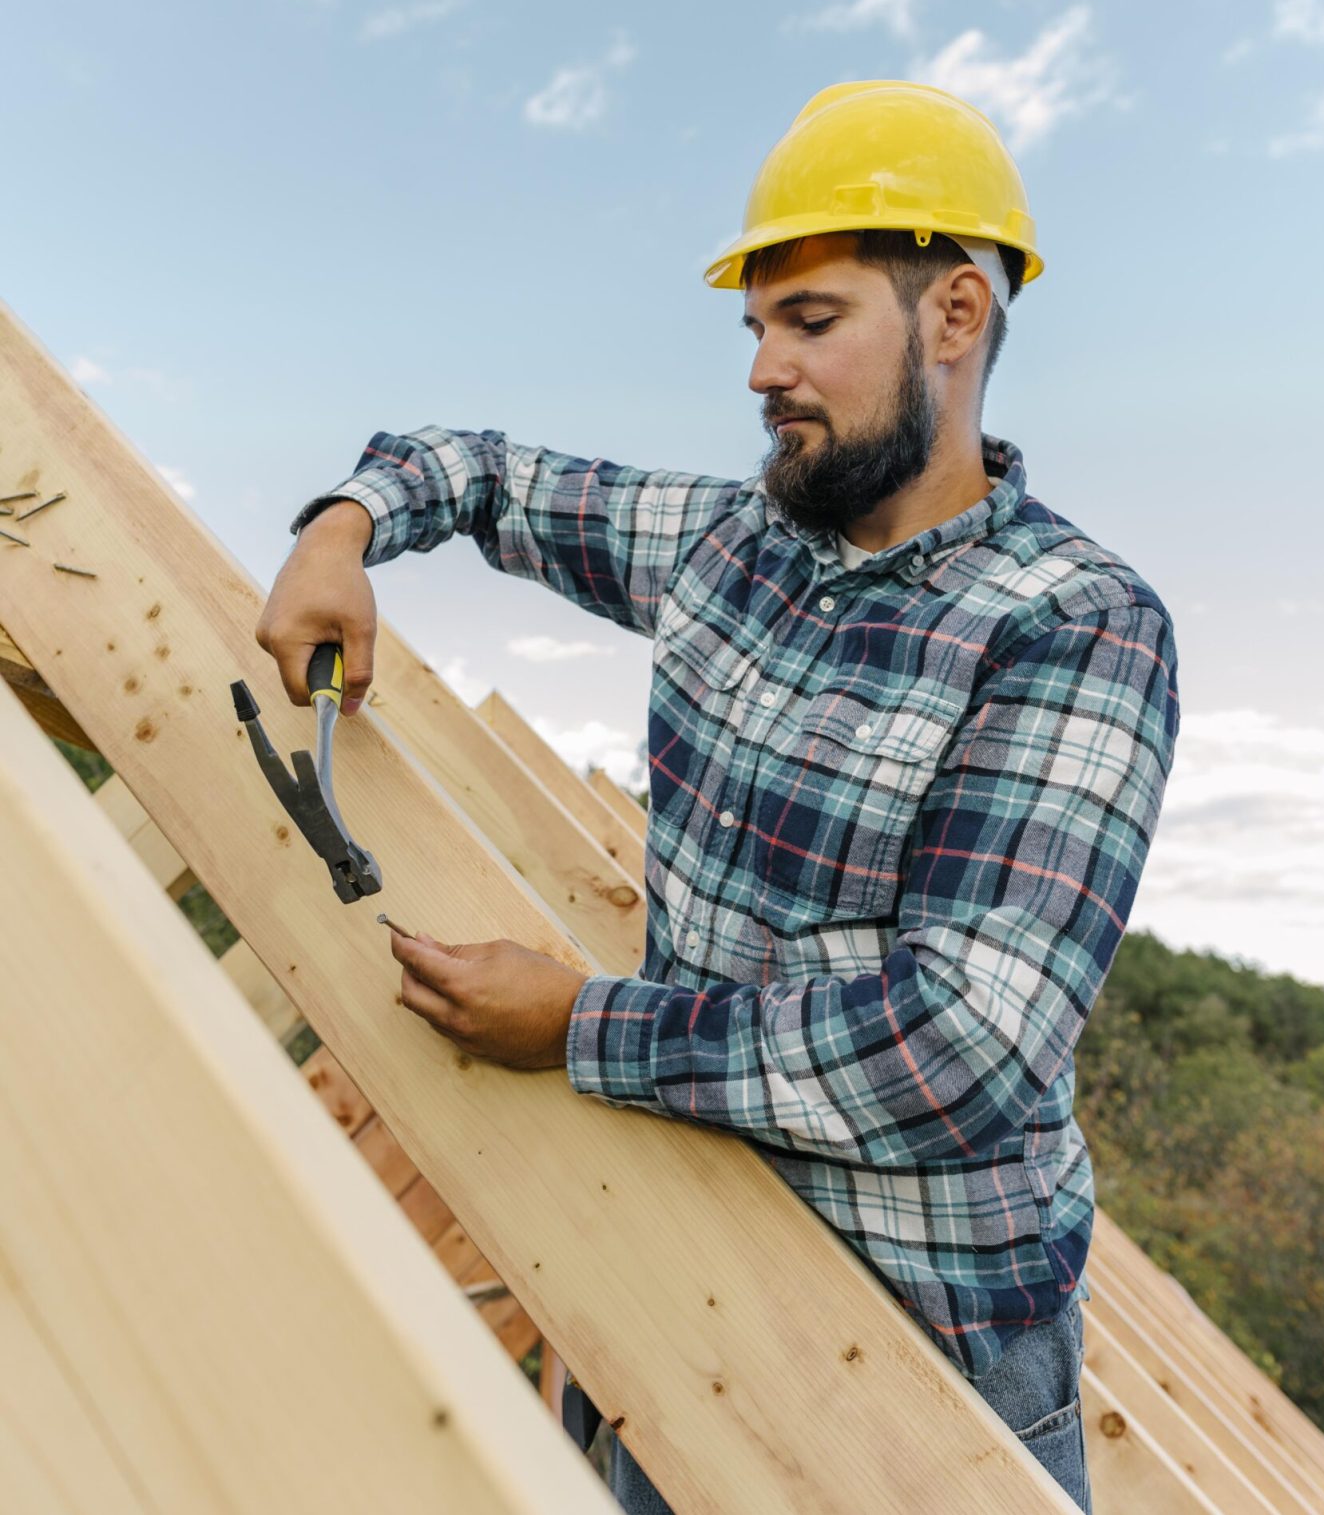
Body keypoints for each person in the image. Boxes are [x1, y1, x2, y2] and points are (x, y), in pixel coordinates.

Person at [258, 81, 1180, 1513]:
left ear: (954, 314)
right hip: (673, 1251)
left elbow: (961, 1052)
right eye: (754, 330)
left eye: (809, 321)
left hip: (918, 1344)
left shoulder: (1072, 623)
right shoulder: (731, 543)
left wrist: (579, 1024)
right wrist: (344, 528)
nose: (762, 369)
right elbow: (484, 471)